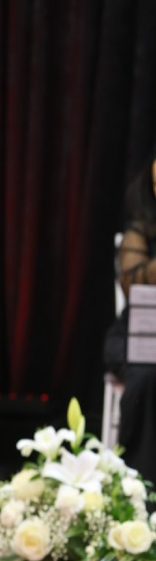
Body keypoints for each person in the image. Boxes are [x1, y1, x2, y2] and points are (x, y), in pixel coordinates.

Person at [104, 149, 156, 484]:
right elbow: (131, 283)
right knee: (148, 377)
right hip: (142, 336)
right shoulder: (141, 229)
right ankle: (142, 483)